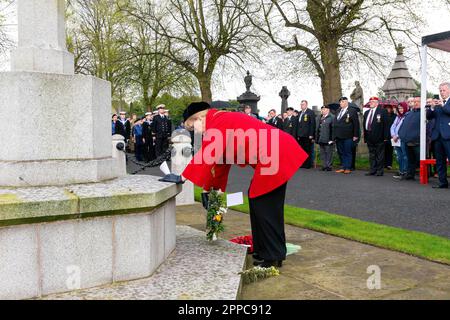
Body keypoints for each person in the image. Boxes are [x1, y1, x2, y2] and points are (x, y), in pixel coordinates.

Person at [160, 102, 308, 268]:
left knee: (264, 205)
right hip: (277, 152)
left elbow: (207, 155)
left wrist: (181, 177)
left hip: (276, 154)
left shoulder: (218, 122)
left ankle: (272, 256)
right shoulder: (219, 120)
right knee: (261, 203)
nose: (194, 131)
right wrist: (209, 190)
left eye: (192, 126)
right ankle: (266, 250)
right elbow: (221, 164)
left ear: (199, 118)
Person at [427, 82, 450, 189]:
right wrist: (431, 107)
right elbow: (429, 116)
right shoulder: (437, 104)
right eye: (440, 90)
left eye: (444, 90)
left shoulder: (445, 103)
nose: (441, 92)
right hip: (438, 136)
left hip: (448, 136)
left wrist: (443, 105)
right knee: (440, 161)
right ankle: (442, 182)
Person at [363, 97, 390, 176]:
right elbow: (364, 125)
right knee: (372, 155)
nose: (371, 103)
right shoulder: (366, 112)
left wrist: (385, 137)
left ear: (377, 103)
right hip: (369, 137)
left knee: (379, 155)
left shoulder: (382, 111)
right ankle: (372, 170)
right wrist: (365, 137)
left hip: (379, 137)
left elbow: (386, 125)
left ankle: (379, 170)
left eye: (373, 101)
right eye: (370, 101)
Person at [333, 97, 360, 174]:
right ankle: (343, 166)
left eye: (343, 102)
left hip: (348, 135)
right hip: (338, 135)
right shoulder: (338, 110)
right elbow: (335, 123)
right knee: (341, 152)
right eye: (340, 102)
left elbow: (356, 124)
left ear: (346, 102)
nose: (341, 103)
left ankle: (348, 167)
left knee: (347, 152)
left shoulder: (352, 111)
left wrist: (356, 135)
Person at [398, 96, 421, 180]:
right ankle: (410, 174)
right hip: (406, 140)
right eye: (414, 101)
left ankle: (425, 175)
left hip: (417, 141)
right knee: (410, 158)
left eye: (418, 101)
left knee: (419, 159)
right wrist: (401, 134)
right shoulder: (409, 113)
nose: (415, 103)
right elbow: (404, 125)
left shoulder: (423, 113)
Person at [391, 102, 409, 180]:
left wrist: (397, 136)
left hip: (402, 139)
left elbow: (405, 128)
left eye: (401, 108)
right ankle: (401, 171)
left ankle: (405, 171)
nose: (400, 110)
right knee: (399, 157)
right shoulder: (398, 117)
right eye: (399, 108)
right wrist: (393, 135)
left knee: (405, 156)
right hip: (396, 140)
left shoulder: (407, 116)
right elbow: (393, 126)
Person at [296, 100, 316, 169]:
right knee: (302, 151)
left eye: (303, 104)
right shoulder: (299, 113)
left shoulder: (310, 112)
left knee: (307, 150)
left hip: (307, 135)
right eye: (301, 104)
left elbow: (312, 124)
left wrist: (311, 134)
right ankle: (303, 164)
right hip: (300, 135)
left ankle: (308, 164)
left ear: (306, 105)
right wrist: (298, 134)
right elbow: (298, 125)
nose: (302, 106)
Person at [316, 105, 335, 171]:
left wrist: (332, 139)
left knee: (328, 153)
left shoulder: (332, 117)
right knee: (322, 153)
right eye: (322, 109)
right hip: (321, 138)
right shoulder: (320, 117)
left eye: (324, 109)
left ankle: (328, 166)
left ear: (328, 110)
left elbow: (333, 129)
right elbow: (318, 128)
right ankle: (324, 166)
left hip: (328, 139)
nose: (323, 110)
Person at [384, 104, 396, 169]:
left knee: (390, 150)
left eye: (389, 108)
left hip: (391, 135)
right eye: (386, 108)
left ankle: (389, 164)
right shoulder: (383, 116)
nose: (388, 109)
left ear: (391, 109)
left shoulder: (395, 116)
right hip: (384, 136)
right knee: (383, 150)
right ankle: (384, 164)